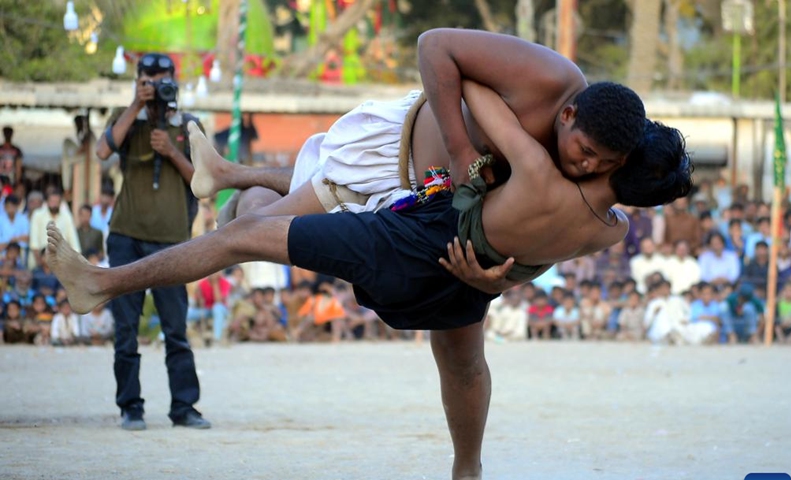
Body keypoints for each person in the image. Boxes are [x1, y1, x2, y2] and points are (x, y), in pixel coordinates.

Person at [51, 77, 690, 477]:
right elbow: (528, 262)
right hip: (459, 281)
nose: (583, 160)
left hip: (412, 246)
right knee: (462, 362)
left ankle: (105, 283)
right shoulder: (610, 230)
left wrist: (542, 102)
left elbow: (471, 88)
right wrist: (493, 280)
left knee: (248, 233)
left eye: (600, 158)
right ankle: (467, 468)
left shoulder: (541, 169)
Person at [189, 29, 649, 228]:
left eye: (603, 164)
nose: (587, 165)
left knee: (273, 215)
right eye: (586, 150)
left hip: (421, 205)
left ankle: (229, 177)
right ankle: (227, 214)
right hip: (392, 151)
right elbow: (434, 46)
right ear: (568, 115)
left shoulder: (585, 178)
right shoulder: (547, 77)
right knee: (257, 230)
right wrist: (459, 147)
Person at [93, 52, 210, 431]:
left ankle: (184, 408)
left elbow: (205, 182)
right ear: (139, 79)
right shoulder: (128, 118)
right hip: (127, 236)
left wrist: (172, 151)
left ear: (174, 79)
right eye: (149, 78)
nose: (157, 84)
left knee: (175, 329)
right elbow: (102, 150)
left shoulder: (189, 124)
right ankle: (131, 407)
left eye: (163, 78)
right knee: (126, 329)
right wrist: (135, 104)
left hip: (173, 242)